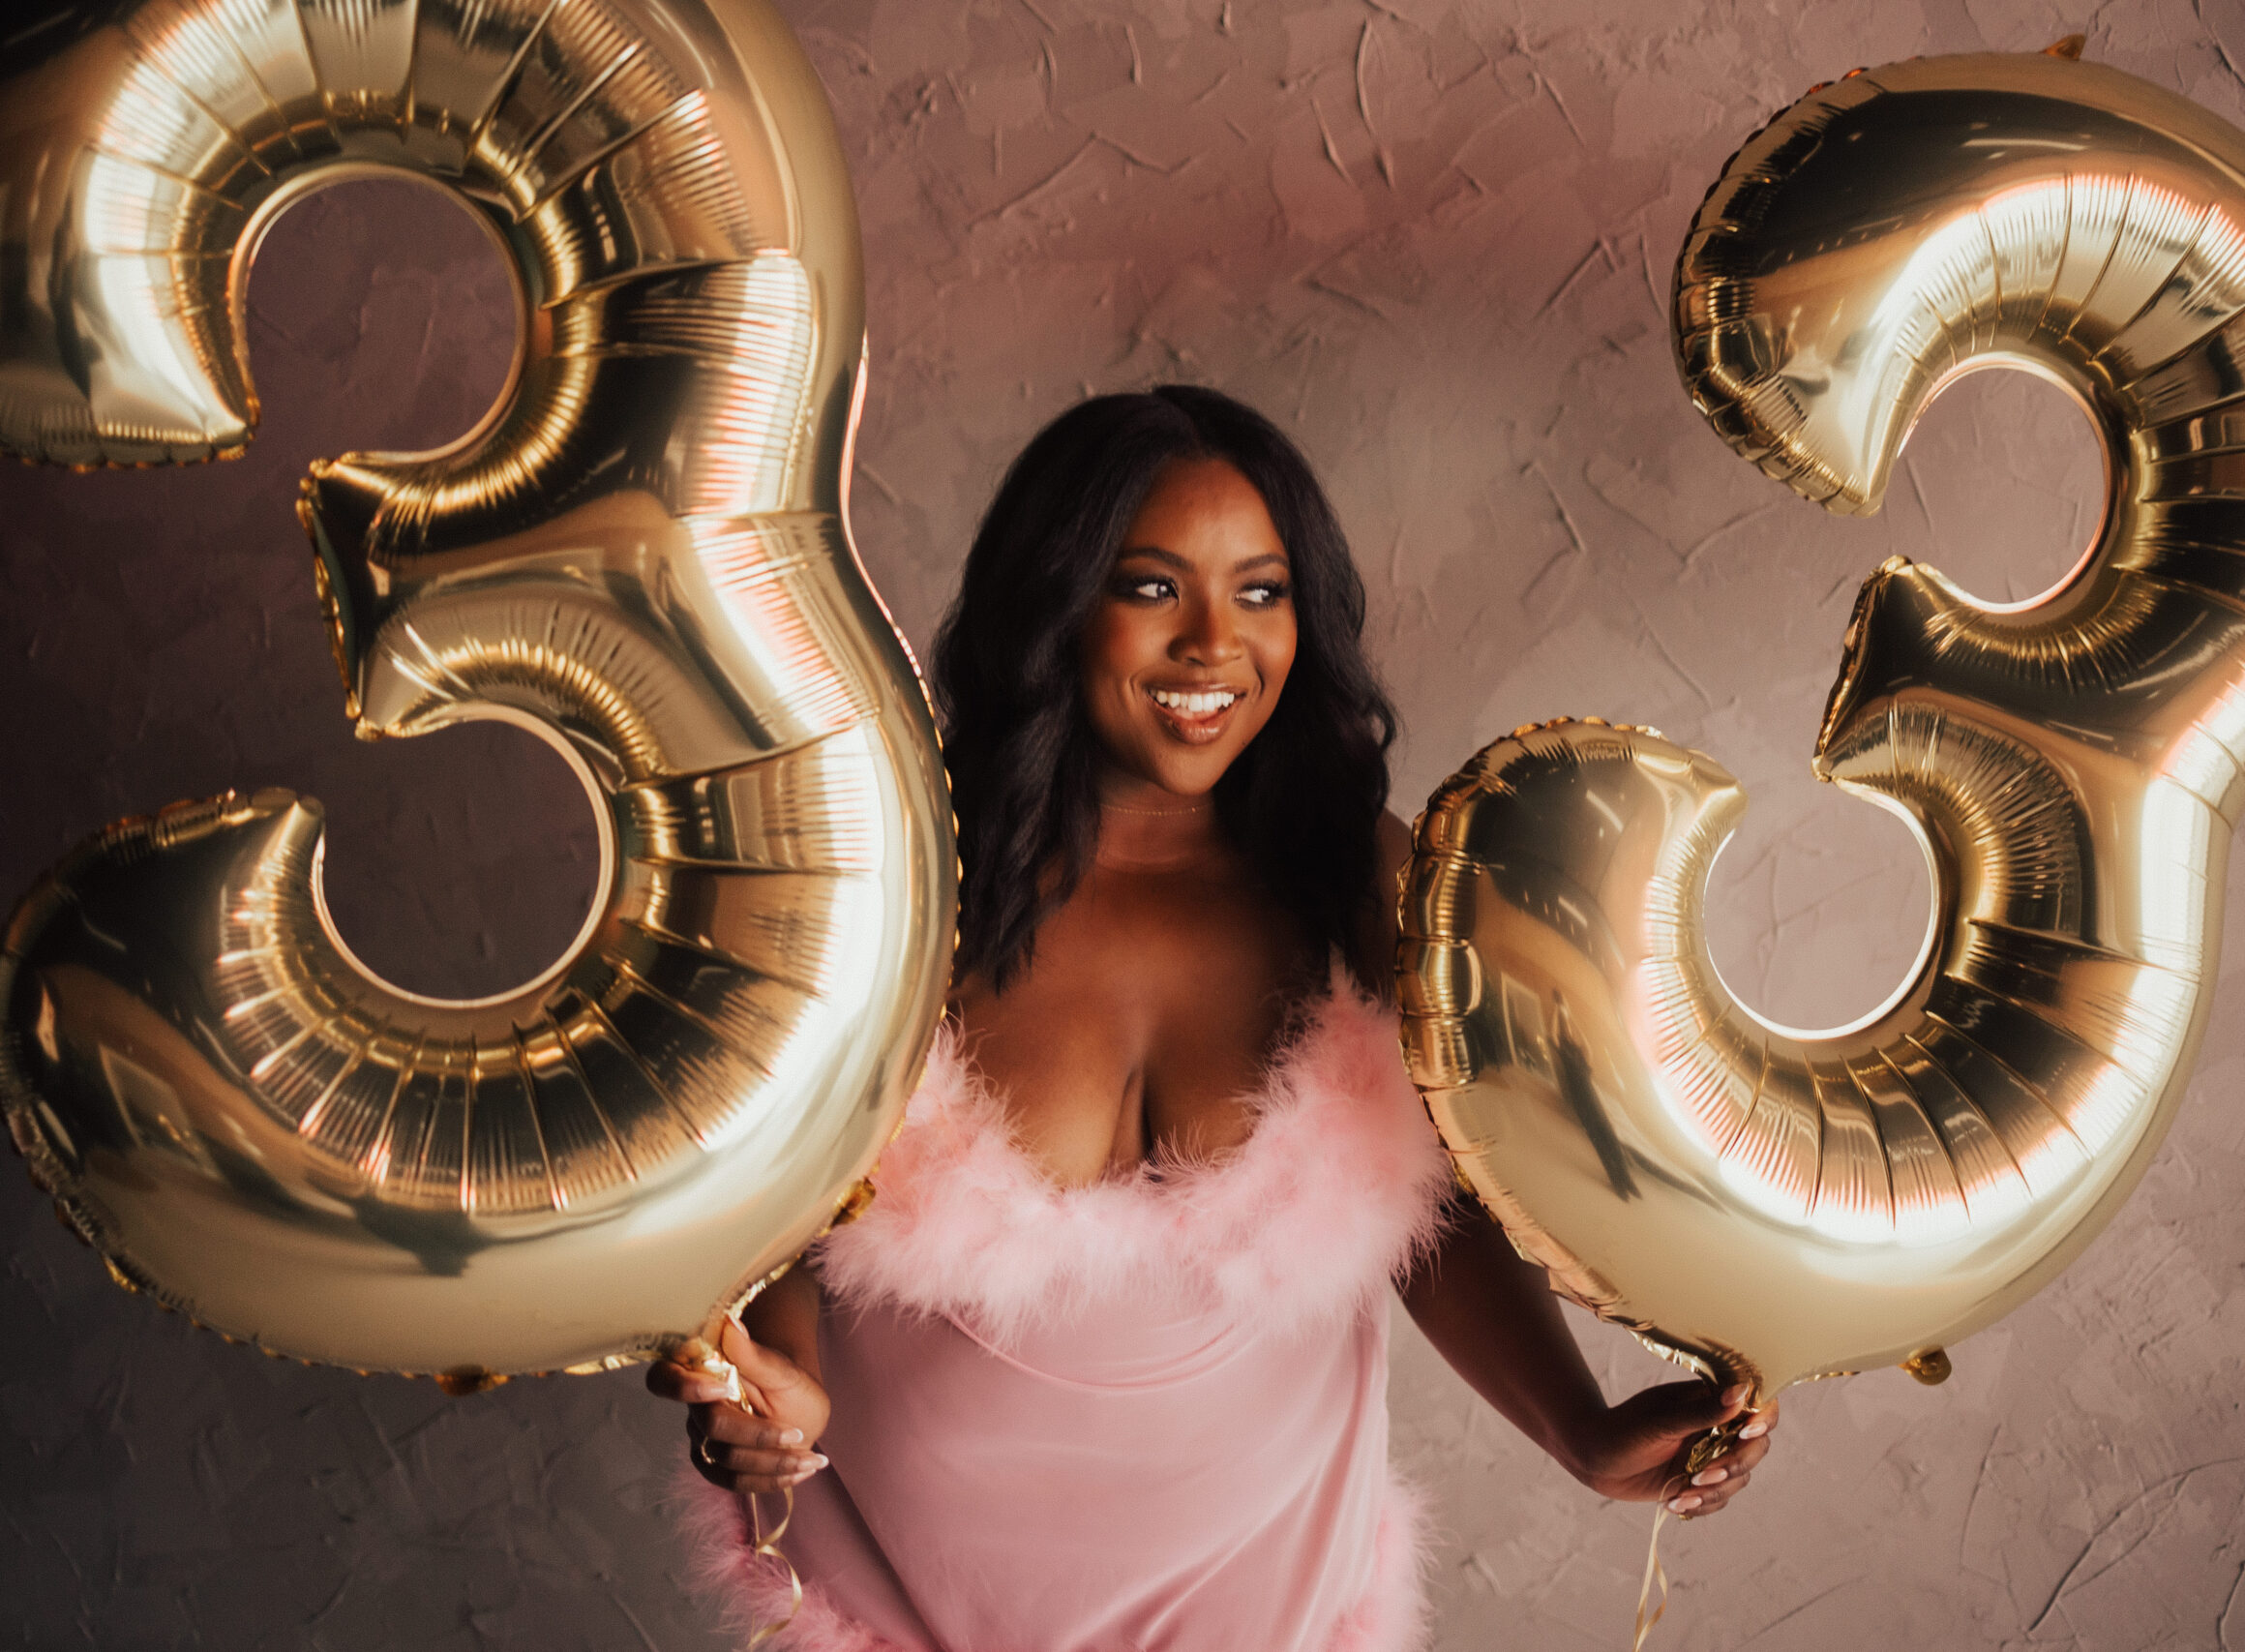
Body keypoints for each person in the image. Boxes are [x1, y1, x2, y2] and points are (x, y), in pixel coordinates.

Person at [647, 386, 1779, 1650]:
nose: (1212, 646)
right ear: (1058, 603)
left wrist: (1581, 1424)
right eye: (1150, 587)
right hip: (900, 1602)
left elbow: (1436, 1216)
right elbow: (786, 1222)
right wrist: (773, 1382)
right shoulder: (902, 882)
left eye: (1260, 591)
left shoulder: (1361, 885)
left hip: (1272, 1606)